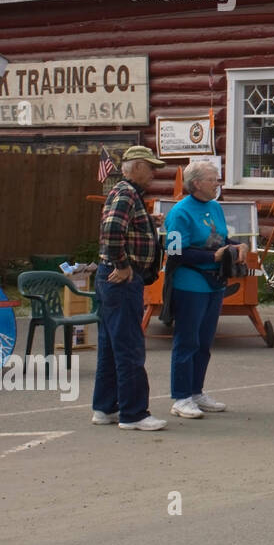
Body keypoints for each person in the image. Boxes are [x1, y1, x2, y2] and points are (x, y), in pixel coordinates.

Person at [92, 146, 167, 431]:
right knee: (130, 347)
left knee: (111, 346)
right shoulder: (126, 193)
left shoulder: (126, 193)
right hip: (121, 279)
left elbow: (124, 227)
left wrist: (149, 222)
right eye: (150, 167)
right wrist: (122, 265)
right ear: (135, 167)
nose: (153, 173)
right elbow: (112, 231)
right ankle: (134, 413)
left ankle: (105, 407)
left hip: (112, 278)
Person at [165, 161, 245, 419]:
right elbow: (176, 252)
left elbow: (220, 239)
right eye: (213, 179)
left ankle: (196, 391)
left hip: (215, 283)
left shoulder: (215, 207)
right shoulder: (179, 213)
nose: (217, 184)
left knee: (204, 341)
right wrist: (212, 257)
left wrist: (237, 245)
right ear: (197, 183)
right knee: (187, 340)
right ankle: (180, 396)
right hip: (190, 283)